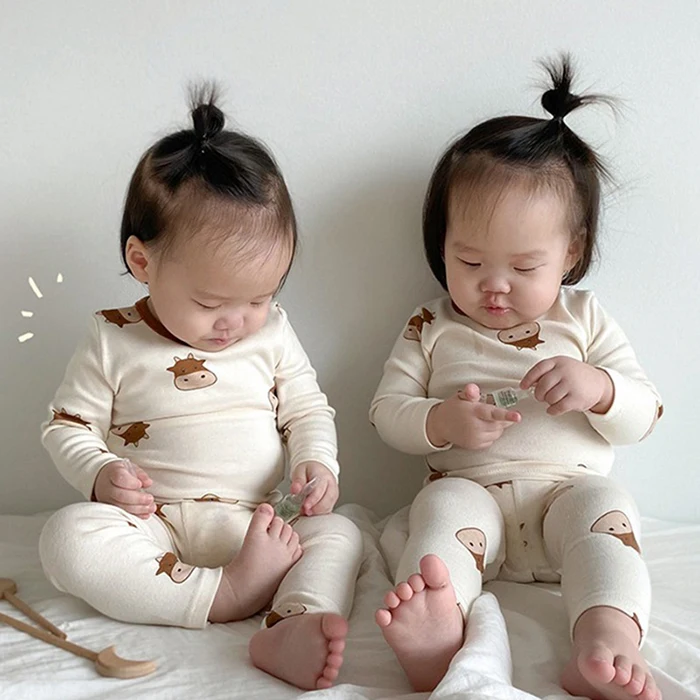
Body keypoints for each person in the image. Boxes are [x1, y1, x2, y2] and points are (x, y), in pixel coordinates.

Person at [39, 86, 362, 691]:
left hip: (258, 524)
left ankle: (292, 622)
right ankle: (220, 596)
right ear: (143, 262)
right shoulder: (112, 337)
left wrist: (318, 463)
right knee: (66, 538)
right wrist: (100, 474)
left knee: (341, 534)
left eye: (259, 298)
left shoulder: (273, 334)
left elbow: (305, 409)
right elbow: (67, 425)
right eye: (211, 302)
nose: (234, 322)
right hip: (154, 527)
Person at [370, 56, 662, 700]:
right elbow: (386, 411)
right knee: (442, 512)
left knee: (608, 514)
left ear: (570, 253)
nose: (494, 285)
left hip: (567, 494)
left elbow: (646, 411)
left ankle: (606, 639)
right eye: (470, 261)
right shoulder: (430, 324)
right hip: (473, 496)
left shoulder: (584, 318)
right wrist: (440, 421)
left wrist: (600, 389)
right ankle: (440, 635)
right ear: (441, 245)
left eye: (524, 268)